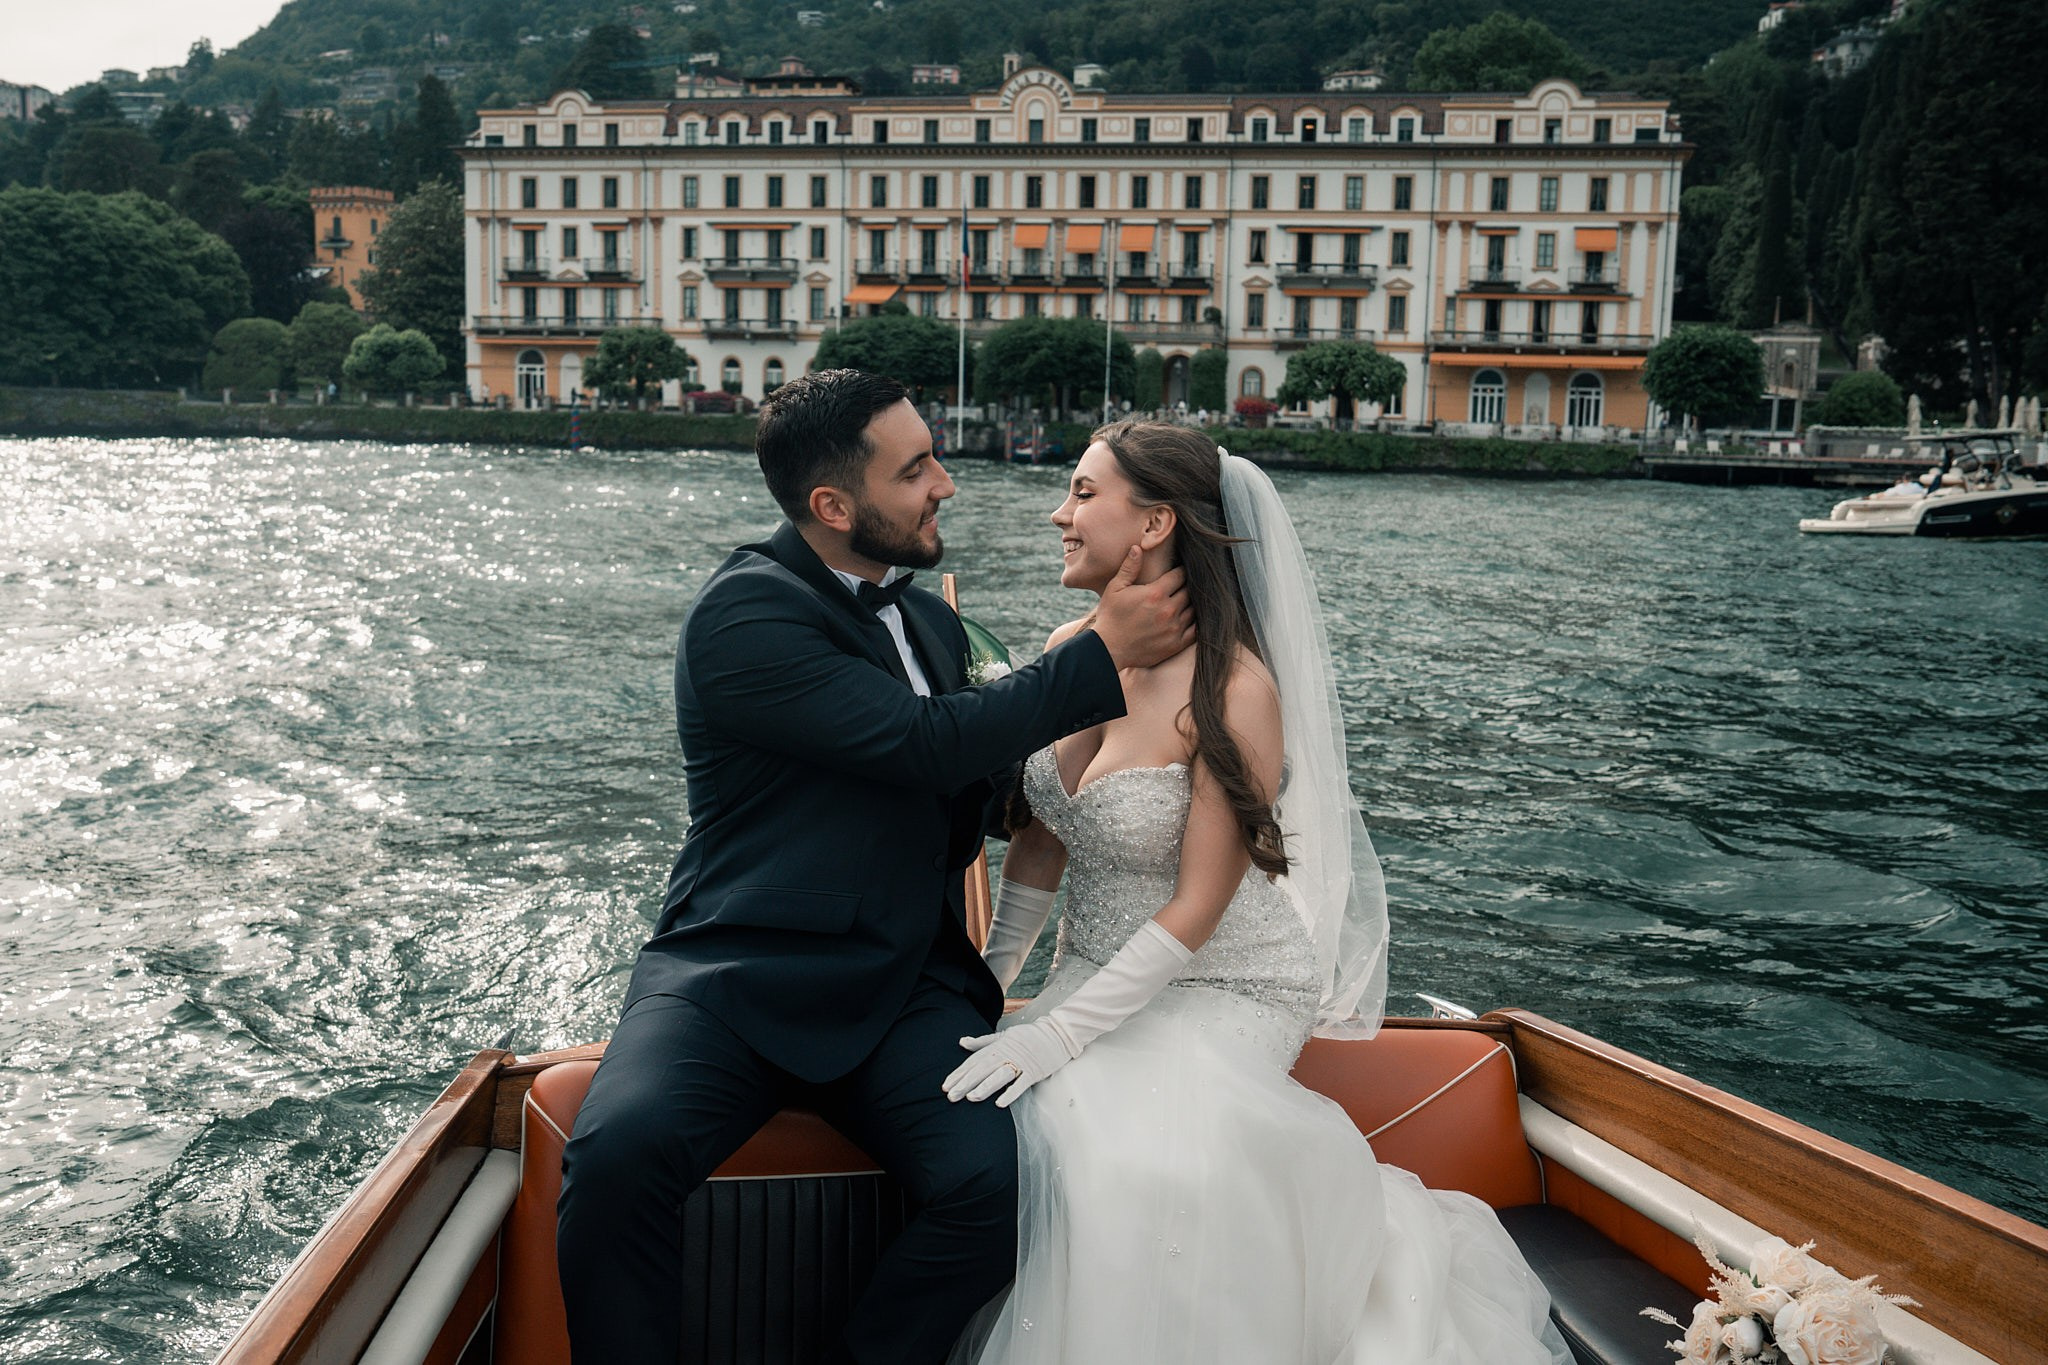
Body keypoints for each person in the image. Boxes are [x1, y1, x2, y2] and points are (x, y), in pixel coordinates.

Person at [555, 371, 1196, 1363]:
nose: (946, 483)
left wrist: (1125, 761)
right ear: (832, 506)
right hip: (735, 975)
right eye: (916, 469)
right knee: (615, 1158)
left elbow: (969, 790)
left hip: (906, 986)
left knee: (998, 1190)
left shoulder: (934, 628)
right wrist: (1097, 655)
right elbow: (917, 745)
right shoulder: (742, 617)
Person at [944, 421, 1570, 1365]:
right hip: (1097, 968)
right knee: (1034, 1121)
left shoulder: (1235, 689)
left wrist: (1056, 1033)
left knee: (1128, 1148)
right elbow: (1041, 846)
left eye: (1081, 492)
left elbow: (1198, 905)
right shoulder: (1070, 645)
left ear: (1153, 522)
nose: (1058, 513)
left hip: (1224, 980)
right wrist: (989, 996)